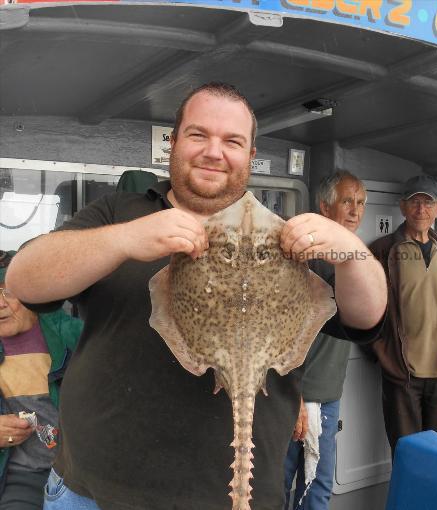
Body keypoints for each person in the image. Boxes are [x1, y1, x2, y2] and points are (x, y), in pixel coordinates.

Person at [6, 82, 387, 510]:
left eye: (232, 141)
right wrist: (125, 241)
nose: (214, 151)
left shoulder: (288, 238)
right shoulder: (119, 213)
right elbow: (23, 281)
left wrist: (350, 251)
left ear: (250, 154)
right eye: (198, 135)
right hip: (91, 492)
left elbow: (367, 316)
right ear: (175, 141)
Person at [368, 174, 437, 454]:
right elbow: (363, 306)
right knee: (406, 453)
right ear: (403, 207)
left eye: (428, 203)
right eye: (415, 203)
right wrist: (381, 353)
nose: (421, 210)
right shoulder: (382, 250)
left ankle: (432, 500)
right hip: (403, 376)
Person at [283, 171, 367, 509]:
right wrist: (295, 396)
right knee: (278, 486)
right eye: (347, 201)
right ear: (324, 206)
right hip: (296, 397)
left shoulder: (352, 259)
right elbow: (281, 334)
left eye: (360, 202)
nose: (355, 210)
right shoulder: (304, 257)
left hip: (329, 396)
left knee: (318, 486)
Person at [0, 250, 82, 509]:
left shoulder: (72, 336)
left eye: (8, 291)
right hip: (18, 476)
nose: (0, 303)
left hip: (79, 475)